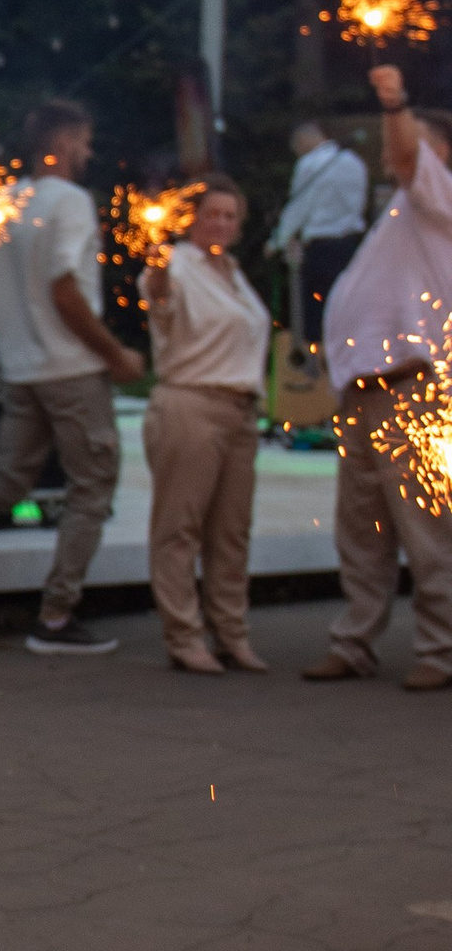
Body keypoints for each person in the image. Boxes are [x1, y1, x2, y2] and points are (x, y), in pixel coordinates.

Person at [0, 98, 143, 655]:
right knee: (93, 486)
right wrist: (114, 354)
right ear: (58, 144)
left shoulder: (3, 203)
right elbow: (64, 288)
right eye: (83, 140)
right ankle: (57, 615)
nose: (89, 151)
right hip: (71, 369)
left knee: (9, 484)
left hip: (20, 367)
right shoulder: (72, 203)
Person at [301, 62, 452, 689]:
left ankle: (440, 652)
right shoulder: (402, 214)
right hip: (367, 391)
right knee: (360, 529)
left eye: (420, 145)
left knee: (427, 533)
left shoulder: (439, 196)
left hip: (415, 391)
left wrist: (394, 104)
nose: (403, 155)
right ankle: (356, 641)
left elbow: (408, 154)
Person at [141, 175, 272, 675]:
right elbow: (161, 300)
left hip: (239, 410)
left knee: (232, 530)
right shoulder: (174, 263)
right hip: (190, 403)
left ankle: (231, 633)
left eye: (230, 216)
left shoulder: (235, 272)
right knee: (180, 526)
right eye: (212, 213)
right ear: (191, 218)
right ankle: (183, 635)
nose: (220, 223)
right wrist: (155, 266)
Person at [268, 118, 369, 349]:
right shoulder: (355, 162)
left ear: (302, 140)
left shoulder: (312, 164)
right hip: (351, 245)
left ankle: (315, 368)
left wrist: (277, 241)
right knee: (345, 306)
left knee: (317, 310)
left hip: (321, 247)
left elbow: (299, 207)